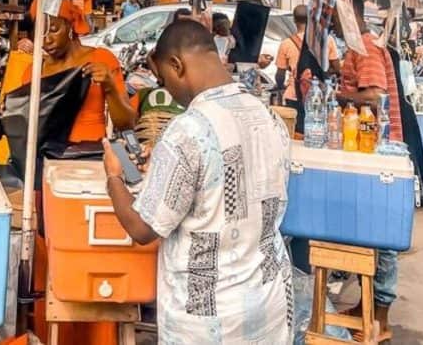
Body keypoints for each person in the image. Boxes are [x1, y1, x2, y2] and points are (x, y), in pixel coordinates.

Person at [102, 20, 293, 343]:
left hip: (207, 321)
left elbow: (142, 228)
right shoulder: (268, 116)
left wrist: (114, 178)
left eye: (163, 79)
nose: (166, 90)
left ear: (177, 65)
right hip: (267, 306)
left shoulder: (188, 129)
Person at [334, 0, 403, 341]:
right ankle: (365, 311)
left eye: (333, 14)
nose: (329, 20)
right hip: (365, 148)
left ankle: (380, 321)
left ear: (349, 14)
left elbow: (375, 95)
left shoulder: (367, 47)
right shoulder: (358, 47)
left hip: (380, 153)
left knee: (383, 238)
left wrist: (339, 96)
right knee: (368, 236)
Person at [22, 0, 136, 140]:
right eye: (40, 33)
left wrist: (109, 86)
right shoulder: (35, 71)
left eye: (53, 30)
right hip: (46, 156)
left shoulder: (101, 59)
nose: (47, 40)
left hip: (88, 156)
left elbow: (127, 124)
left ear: (70, 26)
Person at [275, 5, 341, 104]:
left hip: (294, 95)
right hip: (319, 94)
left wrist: (281, 87)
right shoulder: (327, 40)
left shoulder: (286, 44)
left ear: (294, 20)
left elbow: (280, 75)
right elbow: (337, 68)